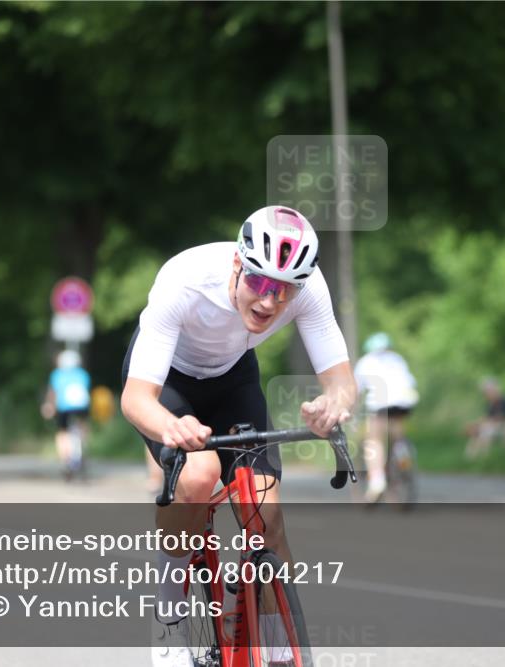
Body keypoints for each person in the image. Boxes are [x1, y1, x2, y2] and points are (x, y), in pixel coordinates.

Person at [119, 205, 355, 667]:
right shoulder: (184, 280)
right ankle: (168, 617)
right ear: (237, 265)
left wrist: (335, 404)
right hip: (167, 380)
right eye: (260, 283)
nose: (270, 301)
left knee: (266, 511)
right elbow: (135, 398)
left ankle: (282, 652)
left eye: (284, 290)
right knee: (199, 473)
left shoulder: (309, 288)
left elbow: (342, 379)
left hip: (233, 377)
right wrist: (172, 426)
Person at [353, 332, 419, 502]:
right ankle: (402, 453)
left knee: (374, 440)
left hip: (380, 404)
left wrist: (352, 409)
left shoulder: (365, 362)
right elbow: (411, 382)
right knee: (397, 432)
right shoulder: (397, 359)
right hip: (404, 402)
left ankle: (377, 480)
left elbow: (356, 391)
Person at [41, 349, 92, 480]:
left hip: (64, 408)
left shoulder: (57, 374)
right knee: (82, 426)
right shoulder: (83, 374)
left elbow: (53, 394)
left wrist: (49, 406)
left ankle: (65, 460)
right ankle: (83, 445)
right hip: (82, 407)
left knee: (62, 432)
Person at [464, 377, 505, 458]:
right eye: (485, 391)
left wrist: (480, 424)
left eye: (488, 391)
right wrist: (475, 425)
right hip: (493, 426)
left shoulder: (504, 401)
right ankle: (470, 458)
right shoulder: (490, 404)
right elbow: (487, 417)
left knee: (485, 432)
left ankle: (483, 457)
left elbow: (500, 418)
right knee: (476, 434)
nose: (486, 394)